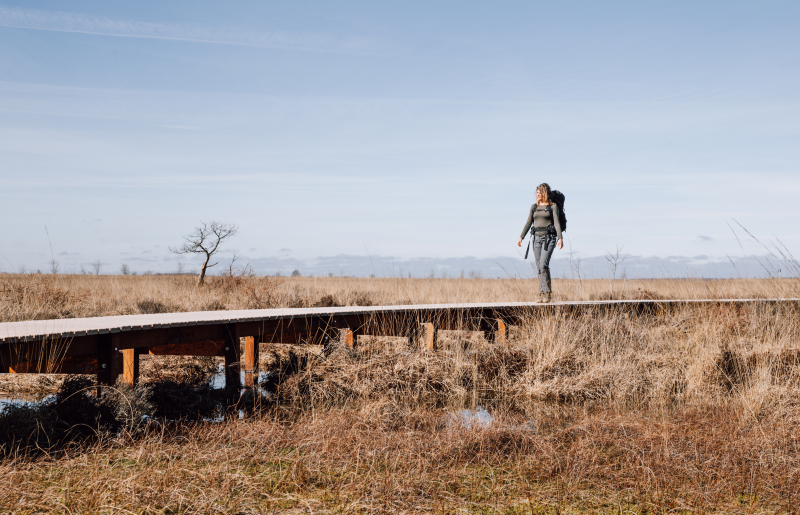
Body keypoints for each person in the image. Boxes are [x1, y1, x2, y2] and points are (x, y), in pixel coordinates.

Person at [517, 183, 563, 303]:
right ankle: (541, 293)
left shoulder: (553, 207)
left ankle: (547, 293)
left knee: (543, 264)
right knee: (539, 267)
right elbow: (528, 223)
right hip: (536, 239)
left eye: (539, 193)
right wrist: (521, 237)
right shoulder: (534, 207)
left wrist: (560, 238)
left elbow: (557, 222)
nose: (537, 195)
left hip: (549, 238)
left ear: (544, 193)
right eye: (536, 193)